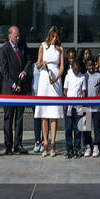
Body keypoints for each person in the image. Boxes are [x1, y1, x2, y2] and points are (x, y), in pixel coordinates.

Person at [0, 24, 31, 155]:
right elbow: (4, 71)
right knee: (8, 117)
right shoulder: (4, 50)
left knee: (19, 117)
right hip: (9, 89)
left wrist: (24, 71)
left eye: (19, 35)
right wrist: (13, 84)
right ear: (10, 35)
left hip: (21, 87)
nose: (18, 37)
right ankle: (8, 145)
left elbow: (29, 60)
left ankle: (18, 144)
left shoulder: (22, 44)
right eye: (15, 35)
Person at [35, 26, 65, 156]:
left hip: (55, 82)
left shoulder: (60, 49)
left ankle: (53, 143)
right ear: (50, 36)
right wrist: (42, 64)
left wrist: (56, 79)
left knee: (54, 113)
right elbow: (37, 64)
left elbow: (62, 67)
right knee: (44, 114)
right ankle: (45, 143)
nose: (54, 39)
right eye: (53, 36)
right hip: (44, 79)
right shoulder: (43, 46)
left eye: (56, 37)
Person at [63, 50, 87, 158]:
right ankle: (69, 148)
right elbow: (65, 90)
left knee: (78, 129)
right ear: (72, 67)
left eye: (77, 70)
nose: (76, 71)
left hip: (79, 106)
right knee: (68, 128)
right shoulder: (68, 76)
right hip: (69, 105)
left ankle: (77, 148)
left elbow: (83, 92)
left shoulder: (82, 77)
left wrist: (82, 104)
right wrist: (66, 102)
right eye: (74, 69)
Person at [84, 55, 100, 157]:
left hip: (97, 107)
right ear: (86, 66)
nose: (90, 68)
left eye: (92, 65)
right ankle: (88, 146)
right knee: (86, 127)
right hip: (86, 107)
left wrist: (96, 99)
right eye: (88, 65)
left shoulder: (99, 76)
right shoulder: (83, 76)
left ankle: (96, 146)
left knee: (97, 127)